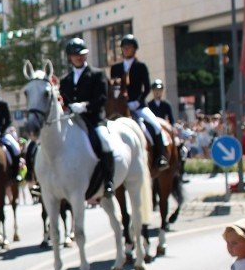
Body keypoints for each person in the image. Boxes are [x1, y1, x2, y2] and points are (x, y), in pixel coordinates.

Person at [58, 37, 115, 198]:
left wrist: (85, 106)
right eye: (76, 55)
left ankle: (108, 181)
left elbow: (103, 98)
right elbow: (62, 101)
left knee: (105, 142)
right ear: (70, 57)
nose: (79, 58)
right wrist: (67, 108)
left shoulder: (97, 74)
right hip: (72, 121)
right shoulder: (65, 80)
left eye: (82, 54)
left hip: (93, 119)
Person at [109, 35, 168, 170]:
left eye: (128, 47)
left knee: (156, 126)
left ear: (134, 49)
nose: (126, 50)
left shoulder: (140, 66)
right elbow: (113, 87)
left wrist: (138, 101)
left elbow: (146, 87)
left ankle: (161, 157)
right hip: (119, 106)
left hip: (137, 105)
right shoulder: (116, 68)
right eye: (124, 48)